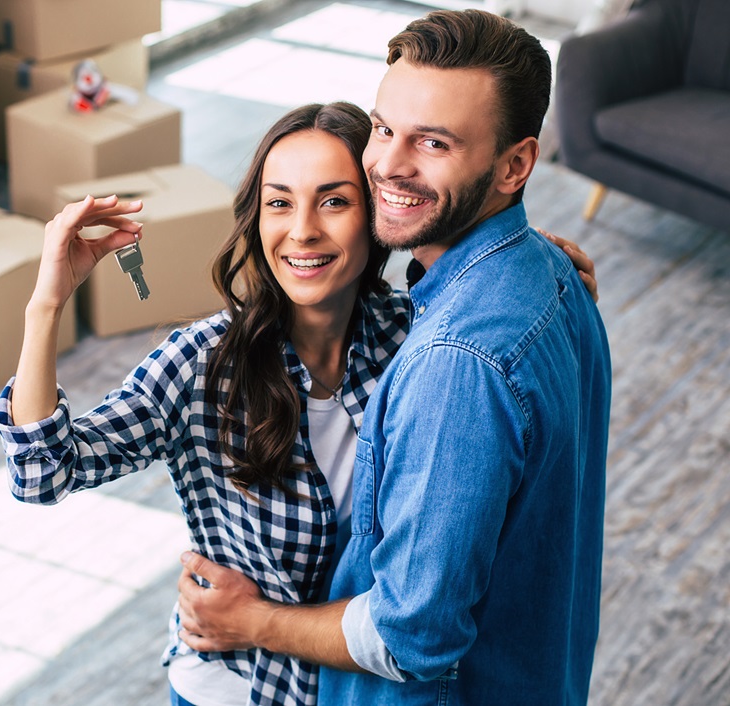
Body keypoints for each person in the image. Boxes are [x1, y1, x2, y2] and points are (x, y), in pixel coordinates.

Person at [175, 9, 612, 706]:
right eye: (383, 128)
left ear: (515, 164)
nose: (385, 165)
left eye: (433, 143)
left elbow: (410, 638)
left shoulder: (456, 364)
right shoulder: (553, 278)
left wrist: (247, 621)